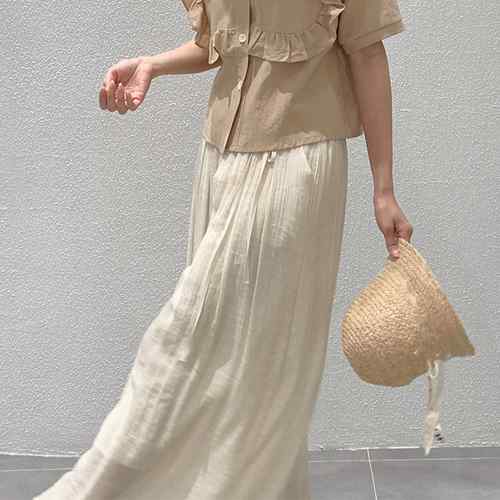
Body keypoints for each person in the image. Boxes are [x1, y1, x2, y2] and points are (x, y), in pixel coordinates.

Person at [34, 0, 413, 498]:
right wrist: (152, 64)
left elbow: (367, 52)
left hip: (297, 161)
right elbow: (221, 45)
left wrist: (383, 189)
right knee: (227, 350)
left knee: (214, 344)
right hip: (218, 159)